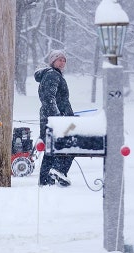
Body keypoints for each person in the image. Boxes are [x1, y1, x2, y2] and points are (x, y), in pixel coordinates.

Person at [35, 49, 74, 187]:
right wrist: (58, 117)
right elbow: (48, 99)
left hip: (51, 118)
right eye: (59, 59)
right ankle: (58, 171)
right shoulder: (52, 75)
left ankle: (46, 179)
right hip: (55, 119)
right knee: (71, 144)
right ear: (53, 61)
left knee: (50, 149)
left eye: (64, 60)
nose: (62, 62)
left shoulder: (53, 75)